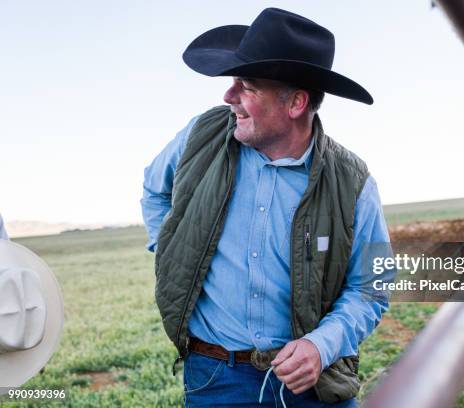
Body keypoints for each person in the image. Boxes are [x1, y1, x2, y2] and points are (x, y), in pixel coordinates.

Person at [141, 8, 392, 407]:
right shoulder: (200, 136)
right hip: (214, 379)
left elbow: (371, 287)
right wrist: (170, 248)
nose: (229, 96)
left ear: (295, 103)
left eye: (248, 86)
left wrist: (320, 346)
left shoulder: (354, 182)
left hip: (314, 385)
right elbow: (154, 191)